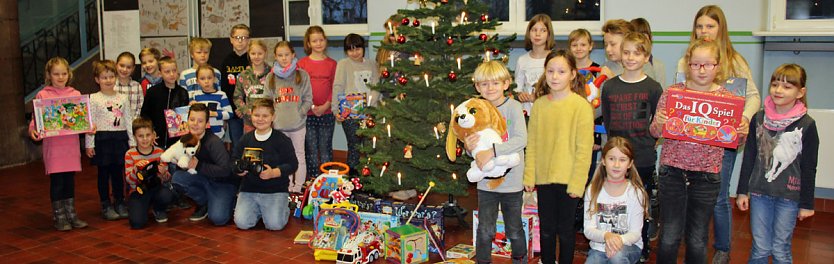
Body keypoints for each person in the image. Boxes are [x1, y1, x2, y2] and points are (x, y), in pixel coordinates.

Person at [676, 6, 762, 263]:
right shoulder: (685, 60)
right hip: (692, 140)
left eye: (710, 26)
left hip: (723, 141)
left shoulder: (734, 60)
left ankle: (722, 248)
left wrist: (744, 118)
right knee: (689, 192)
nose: (704, 31)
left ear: (721, 29)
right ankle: (691, 241)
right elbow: (678, 95)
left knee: (719, 196)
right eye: (699, 26)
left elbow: (754, 97)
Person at [650, 39, 743, 264]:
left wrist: (742, 131)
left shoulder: (728, 100)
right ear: (687, 65)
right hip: (672, 172)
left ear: (718, 66)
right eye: (695, 65)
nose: (701, 70)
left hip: (706, 176)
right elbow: (654, 132)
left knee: (698, 237)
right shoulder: (673, 93)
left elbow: (735, 141)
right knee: (669, 235)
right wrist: (659, 123)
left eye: (708, 65)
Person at [736, 63, 818, 264]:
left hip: (789, 196)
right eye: (775, 85)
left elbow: (809, 167)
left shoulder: (807, 125)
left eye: (787, 87)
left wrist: (806, 204)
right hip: (759, 192)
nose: (778, 90)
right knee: (760, 248)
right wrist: (742, 191)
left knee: (780, 249)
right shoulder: (759, 119)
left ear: (801, 92)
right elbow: (749, 157)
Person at [525, 50, 594, 264]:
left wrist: (578, 183)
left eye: (561, 71)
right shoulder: (539, 105)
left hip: (569, 180)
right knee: (546, 229)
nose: (555, 76)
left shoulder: (581, 106)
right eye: (550, 71)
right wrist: (529, 176)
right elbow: (533, 143)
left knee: (565, 231)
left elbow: (584, 150)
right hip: (544, 179)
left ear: (573, 74)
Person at [599, 32, 663, 262]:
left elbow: (658, 124)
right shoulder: (610, 87)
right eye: (626, 52)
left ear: (646, 57)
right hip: (615, 157)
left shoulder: (654, 87)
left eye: (637, 53)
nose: (630, 57)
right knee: (615, 204)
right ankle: (613, 244)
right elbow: (607, 120)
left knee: (640, 205)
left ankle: (641, 247)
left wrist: (648, 145)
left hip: (642, 158)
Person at [466, 61, 528, 264]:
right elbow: (475, 152)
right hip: (486, 183)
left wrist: (492, 151)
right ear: (477, 87)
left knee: (514, 228)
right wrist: (469, 148)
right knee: (485, 228)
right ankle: (482, 261)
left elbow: (521, 139)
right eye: (484, 84)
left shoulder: (514, 107)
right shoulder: (475, 110)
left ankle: (520, 259)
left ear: (506, 84)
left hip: (512, 182)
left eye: (495, 83)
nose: (490, 88)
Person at [28, 57, 89, 231]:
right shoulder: (43, 95)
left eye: (63, 73)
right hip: (53, 147)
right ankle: (59, 216)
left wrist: (88, 125)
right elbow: (35, 120)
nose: (60, 77)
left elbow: (82, 118)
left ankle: (71, 214)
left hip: (71, 146)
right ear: (49, 75)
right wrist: (32, 130)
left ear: (69, 74)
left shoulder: (75, 94)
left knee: (69, 181)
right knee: (57, 182)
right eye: (56, 74)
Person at [233, 99, 298, 231]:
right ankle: (260, 210)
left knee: (275, 225)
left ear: (273, 117)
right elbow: (233, 160)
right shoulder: (245, 139)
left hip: (275, 189)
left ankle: (281, 206)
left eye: (265, 116)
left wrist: (273, 172)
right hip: (249, 189)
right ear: (251, 115)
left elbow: (292, 164)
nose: (260, 119)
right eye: (257, 115)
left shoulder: (281, 139)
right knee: (242, 223)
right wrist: (239, 169)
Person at [583, 137, 649, 264]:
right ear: (603, 160)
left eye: (622, 160)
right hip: (599, 248)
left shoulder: (635, 192)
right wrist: (607, 236)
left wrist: (617, 241)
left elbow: (635, 233)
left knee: (617, 257)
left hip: (629, 246)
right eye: (611, 159)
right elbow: (588, 230)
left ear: (630, 163)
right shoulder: (593, 190)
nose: (616, 164)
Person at [85, 60, 135, 220]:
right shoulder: (93, 99)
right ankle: (105, 203)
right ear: (97, 79)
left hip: (119, 138)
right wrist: (89, 144)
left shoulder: (123, 97)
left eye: (111, 77)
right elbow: (90, 123)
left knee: (118, 173)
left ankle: (120, 201)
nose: (108, 80)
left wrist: (132, 142)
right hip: (102, 139)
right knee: (103, 173)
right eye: (104, 77)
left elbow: (128, 119)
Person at [171, 103, 236, 225]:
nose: (195, 124)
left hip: (222, 183)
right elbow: (182, 167)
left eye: (200, 121)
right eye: (192, 119)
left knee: (218, 219)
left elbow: (226, 170)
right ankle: (204, 202)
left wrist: (199, 165)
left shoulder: (214, 142)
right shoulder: (185, 139)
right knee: (177, 178)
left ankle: (230, 200)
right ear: (187, 120)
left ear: (207, 124)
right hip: (203, 179)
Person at [264, 41, 313, 193]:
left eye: (287, 55)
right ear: (275, 57)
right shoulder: (271, 77)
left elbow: (308, 98)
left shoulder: (302, 75)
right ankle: (286, 185)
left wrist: (300, 112)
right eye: (280, 55)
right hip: (279, 126)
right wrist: (273, 118)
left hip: (297, 125)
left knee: (299, 155)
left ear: (293, 55)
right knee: (283, 158)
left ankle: (297, 187)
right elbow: (267, 101)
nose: (284, 58)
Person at [332, 34, 380, 172]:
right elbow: (338, 87)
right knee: (354, 147)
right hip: (351, 115)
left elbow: (377, 87)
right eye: (350, 50)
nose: (354, 53)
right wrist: (336, 110)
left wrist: (369, 106)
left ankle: (372, 181)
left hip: (370, 113)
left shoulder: (372, 64)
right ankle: (352, 181)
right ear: (346, 51)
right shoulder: (343, 64)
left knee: (371, 146)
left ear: (363, 48)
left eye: (357, 48)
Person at [298, 26, 337, 179]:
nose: (318, 43)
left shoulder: (332, 64)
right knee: (311, 149)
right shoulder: (302, 64)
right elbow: (300, 88)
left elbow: (335, 86)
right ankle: (313, 180)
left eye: (321, 40)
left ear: (325, 41)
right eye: (314, 41)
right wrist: (312, 106)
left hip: (327, 113)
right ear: (308, 43)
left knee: (325, 148)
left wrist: (326, 105)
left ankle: (329, 181)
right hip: (308, 113)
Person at [125, 117, 174, 229]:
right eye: (140, 136)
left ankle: (158, 208)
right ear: (134, 137)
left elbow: (167, 179)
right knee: (137, 223)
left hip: (156, 188)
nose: (145, 139)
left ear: (153, 135)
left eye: (148, 135)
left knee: (168, 194)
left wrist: (164, 173)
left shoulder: (159, 152)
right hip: (138, 190)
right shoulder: (130, 154)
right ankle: (140, 207)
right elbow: (129, 181)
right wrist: (136, 170)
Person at [140, 56, 189, 148]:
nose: (171, 74)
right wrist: (151, 131)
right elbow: (145, 115)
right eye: (167, 72)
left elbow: (183, 119)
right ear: (160, 73)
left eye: (174, 71)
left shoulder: (182, 92)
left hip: (176, 142)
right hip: (156, 139)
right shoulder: (153, 92)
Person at [514, 14, 554, 117]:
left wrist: (537, 97)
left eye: (543, 30)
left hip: (550, 113)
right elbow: (517, 88)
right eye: (534, 30)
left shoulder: (554, 59)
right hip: (528, 114)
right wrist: (520, 95)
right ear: (529, 33)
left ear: (549, 34)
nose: (538, 34)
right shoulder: (522, 60)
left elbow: (559, 89)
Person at [220, 24, 251, 150]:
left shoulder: (252, 60)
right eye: (237, 37)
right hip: (233, 112)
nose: (240, 41)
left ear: (248, 40)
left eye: (244, 38)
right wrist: (231, 109)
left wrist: (245, 108)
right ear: (231, 39)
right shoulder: (226, 61)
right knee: (237, 146)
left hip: (250, 111)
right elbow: (225, 88)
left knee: (252, 144)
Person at [234, 39, 272, 133]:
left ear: (265, 53)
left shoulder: (272, 74)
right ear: (249, 54)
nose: (256, 56)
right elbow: (237, 97)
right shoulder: (243, 75)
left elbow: (276, 96)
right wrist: (245, 110)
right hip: (249, 121)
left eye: (260, 53)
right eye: (253, 53)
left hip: (269, 121)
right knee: (251, 146)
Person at [190, 65, 233, 140]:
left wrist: (214, 114)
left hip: (217, 135)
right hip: (200, 135)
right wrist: (191, 106)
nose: (206, 81)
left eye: (209, 78)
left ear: (214, 79)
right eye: (202, 79)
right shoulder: (195, 95)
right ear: (197, 81)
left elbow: (229, 114)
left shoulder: (221, 95)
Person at [630, 18, 666, 87]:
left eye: (644, 36)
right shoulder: (626, 64)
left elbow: (661, 93)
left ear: (650, 38)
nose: (641, 42)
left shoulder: (658, 65)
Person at [115, 52, 143, 118]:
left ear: (133, 69)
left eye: (128, 67)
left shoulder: (137, 86)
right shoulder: (111, 85)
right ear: (116, 65)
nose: (124, 69)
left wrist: (133, 122)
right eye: (122, 66)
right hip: (114, 125)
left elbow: (140, 107)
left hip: (133, 124)